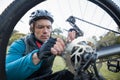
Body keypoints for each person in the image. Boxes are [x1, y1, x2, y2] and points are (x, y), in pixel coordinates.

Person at [6, 9, 77, 80]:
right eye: (40, 27)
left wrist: (72, 46)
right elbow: (6, 73)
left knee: (70, 74)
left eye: (48, 27)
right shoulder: (20, 44)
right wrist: (37, 55)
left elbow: (70, 61)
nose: (45, 31)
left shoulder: (54, 43)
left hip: (47, 77)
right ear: (32, 29)